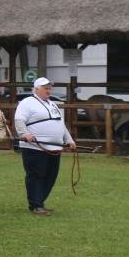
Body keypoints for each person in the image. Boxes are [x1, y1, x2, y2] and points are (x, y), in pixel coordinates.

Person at [14, 77, 76, 216]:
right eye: (45, 88)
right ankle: (35, 205)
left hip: (54, 148)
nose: (49, 90)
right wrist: (24, 133)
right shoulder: (27, 103)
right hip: (35, 147)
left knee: (51, 176)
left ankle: (40, 202)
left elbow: (60, 124)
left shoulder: (52, 104)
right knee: (36, 175)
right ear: (36, 89)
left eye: (49, 88)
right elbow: (19, 120)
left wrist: (69, 140)